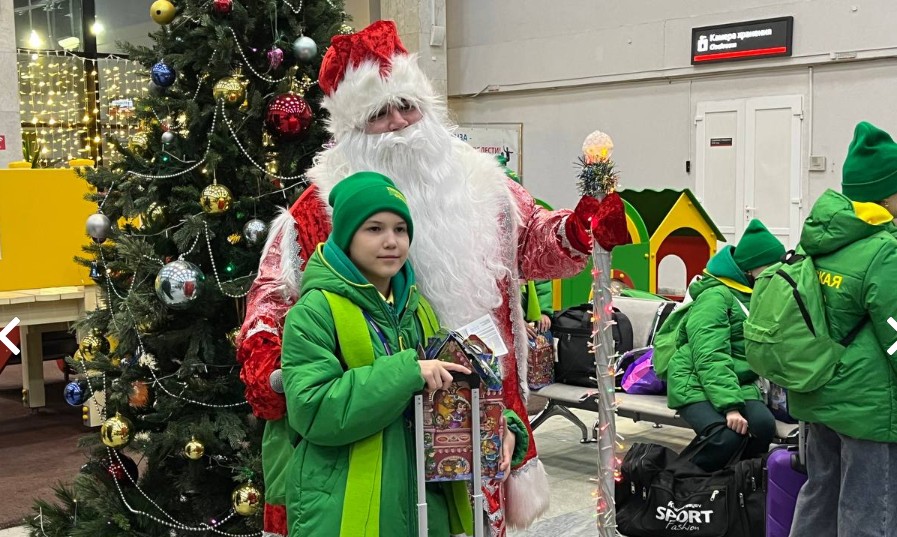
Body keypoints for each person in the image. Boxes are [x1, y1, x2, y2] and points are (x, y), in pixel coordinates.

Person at [237, 20, 629, 535]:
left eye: (407, 105)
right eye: (378, 113)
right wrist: (271, 363)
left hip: (476, 402)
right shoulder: (320, 208)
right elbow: (274, 297)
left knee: (468, 520)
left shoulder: (480, 180)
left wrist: (578, 232)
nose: (399, 122)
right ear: (353, 131)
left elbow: (532, 241)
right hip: (374, 420)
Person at [281, 171, 527, 536]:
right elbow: (312, 409)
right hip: (346, 503)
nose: (391, 242)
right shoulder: (315, 311)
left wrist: (500, 425)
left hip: (426, 506)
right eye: (374, 229)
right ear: (346, 236)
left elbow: (453, 381)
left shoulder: (418, 309)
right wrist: (407, 372)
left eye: (400, 229)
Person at [789, 122, 897, 537]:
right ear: (886, 195)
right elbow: (894, 327)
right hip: (870, 406)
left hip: (819, 391)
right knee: (869, 510)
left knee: (820, 494)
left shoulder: (819, 240)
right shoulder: (884, 250)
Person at [664, 219, 783, 471]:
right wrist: (730, 407)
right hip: (694, 380)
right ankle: (678, 486)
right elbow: (709, 355)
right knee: (725, 436)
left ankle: (734, 486)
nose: (778, 274)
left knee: (762, 427)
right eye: (772, 267)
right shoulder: (716, 296)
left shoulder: (754, 295)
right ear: (752, 268)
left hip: (736, 380)